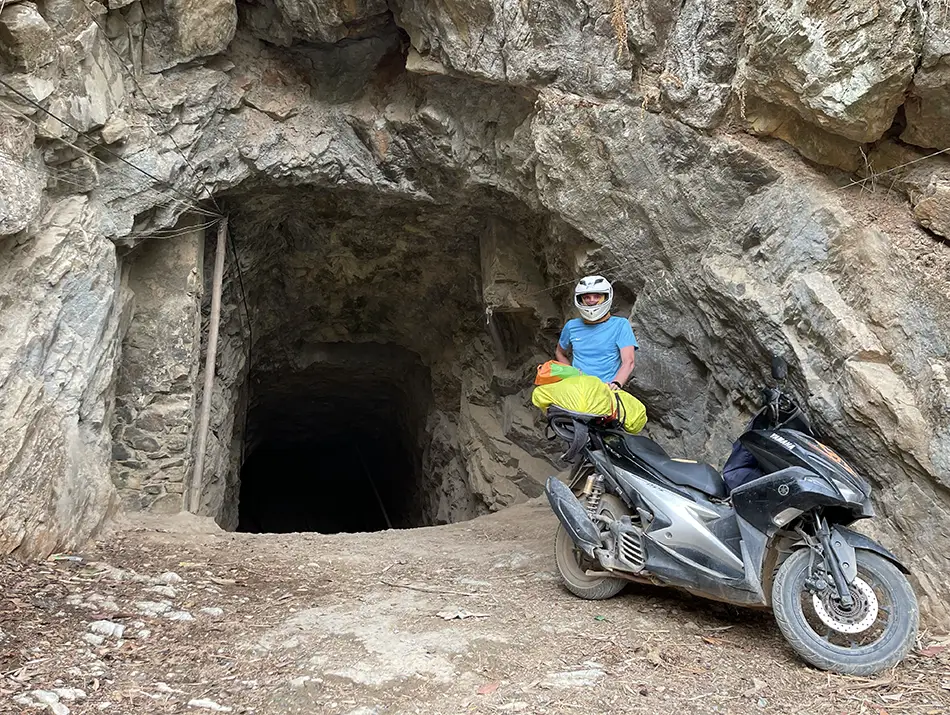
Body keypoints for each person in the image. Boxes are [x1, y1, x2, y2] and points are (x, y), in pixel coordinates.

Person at [555, 275, 638, 390]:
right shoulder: (571, 326)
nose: (592, 300)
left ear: (606, 297)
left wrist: (616, 383)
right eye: (587, 297)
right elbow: (560, 352)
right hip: (578, 389)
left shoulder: (620, 325)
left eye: (597, 296)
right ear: (580, 299)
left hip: (607, 389)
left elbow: (628, 361)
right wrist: (571, 375)